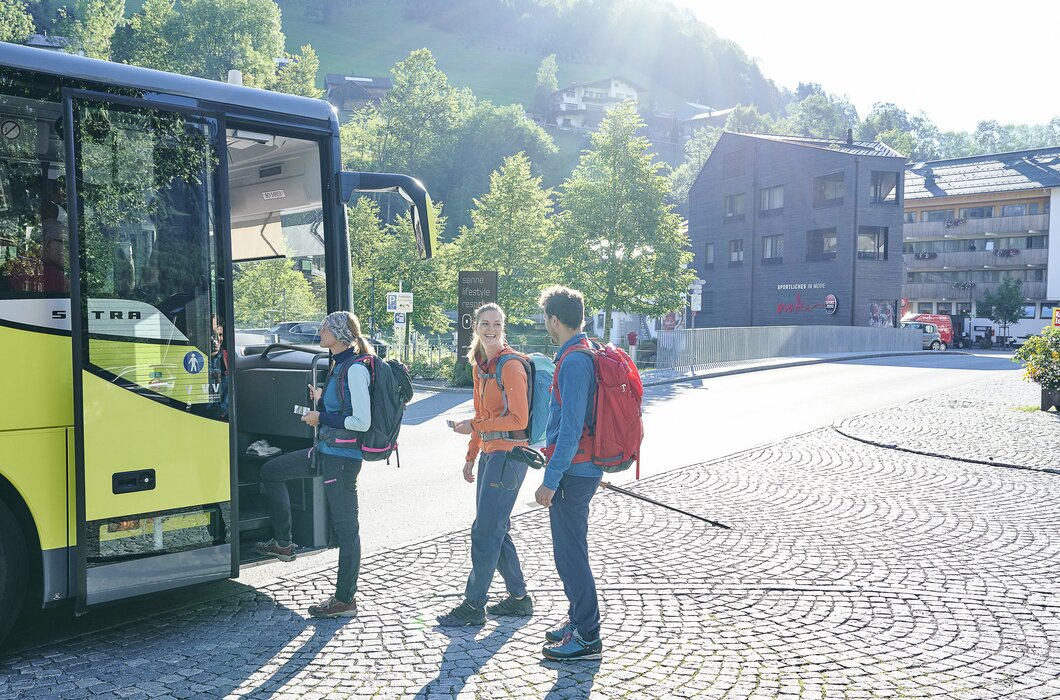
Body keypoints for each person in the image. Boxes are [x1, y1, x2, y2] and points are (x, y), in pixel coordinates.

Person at [255, 311, 373, 618]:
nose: (319, 331)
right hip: (325, 453)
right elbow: (343, 408)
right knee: (272, 471)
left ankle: (345, 599)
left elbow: (361, 421)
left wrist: (320, 416)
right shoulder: (339, 365)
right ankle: (284, 543)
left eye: (324, 327)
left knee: (347, 531)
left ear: (338, 333)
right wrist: (321, 400)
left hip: (342, 461)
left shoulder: (355, 369)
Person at [438, 303, 534, 627]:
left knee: (484, 531)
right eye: (485, 324)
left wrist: (476, 429)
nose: (490, 329)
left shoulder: (509, 366)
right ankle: (519, 599)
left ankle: (473, 605)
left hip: (510, 456)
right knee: (497, 529)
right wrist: (471, 455)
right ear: (476, 327)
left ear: (502, 328)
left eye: (496, 324)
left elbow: (518, 419)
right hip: (492, 455)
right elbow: (482, 417)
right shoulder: (481, 365)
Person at [534, 285, 603, 661]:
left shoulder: (575, 361)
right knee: (571, 551)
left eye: (546, 317)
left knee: (570, 555)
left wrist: (550, 481)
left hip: (573, 473)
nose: (546, 323)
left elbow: (572, 430)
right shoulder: (580, 353)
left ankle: (588, 636)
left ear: (555, 320)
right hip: (579, 470)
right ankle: (578, 621)